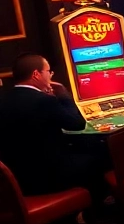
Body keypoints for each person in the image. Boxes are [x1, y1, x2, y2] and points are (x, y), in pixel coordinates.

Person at [0, 53, 98, 197]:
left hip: (18, 178)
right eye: (48, 71)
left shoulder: (4, 100)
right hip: (49, 175)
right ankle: (91, 209)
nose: (50, 75)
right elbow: (77, 124)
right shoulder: (44, 100)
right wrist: (64, 96)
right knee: (102, 157)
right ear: (36, 74)